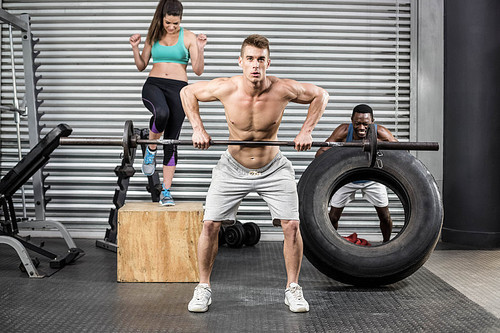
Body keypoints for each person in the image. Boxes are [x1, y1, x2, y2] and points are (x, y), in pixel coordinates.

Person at [180, 34, 329, 313]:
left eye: (261, 59)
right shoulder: (226, 88)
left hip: (273, 166)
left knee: (292, 226)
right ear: (241, 62)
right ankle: (203, 287)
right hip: (231, 167)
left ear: (268, 62)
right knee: (210, 225)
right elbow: (186, 92)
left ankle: (293, 288)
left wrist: (307, 129)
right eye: (250, 59)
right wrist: (197, 128)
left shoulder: (282, 89)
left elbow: (322, 95)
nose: (255, 65)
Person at [129, 0, 207, 206]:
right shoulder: (153, 35)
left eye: (176, 23)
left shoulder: (188, 36)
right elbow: (141, 66)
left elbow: (198, 70)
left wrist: (200, 48)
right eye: (168, 22)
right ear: (161, 17)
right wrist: (135, 48)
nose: (172, 27)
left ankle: (166, 191)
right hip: (154, 85)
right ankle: (151, 149)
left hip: (179, 90)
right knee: (161, 113)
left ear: (181, 19)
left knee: (172, 142)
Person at [315, 104, 397, 243]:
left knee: (384, 216)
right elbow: (320, 153)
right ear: (352, 121)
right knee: (333, 217)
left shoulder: (380, 132)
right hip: (347, 179)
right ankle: (330, 246)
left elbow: (402, 153)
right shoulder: (343, 131)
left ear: (372, 122)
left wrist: (380, 144)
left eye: (366, 124)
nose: (361, 128)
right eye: (357, 123)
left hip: (372, 178)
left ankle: (386, 244)